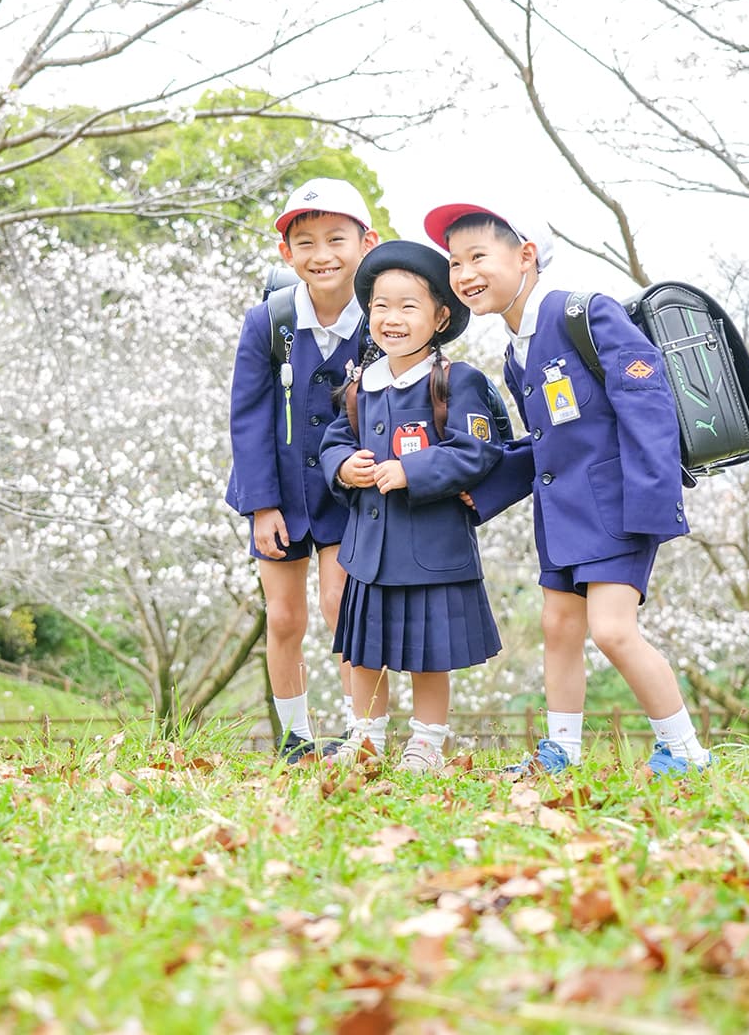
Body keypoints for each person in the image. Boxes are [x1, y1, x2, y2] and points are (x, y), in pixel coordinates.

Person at [423, 199, 711, 776]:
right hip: (562, 513)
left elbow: (646, 400)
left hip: (618, 506)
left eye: (479, 256)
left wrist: (653, 502)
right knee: (558, 629)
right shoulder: (515, 352)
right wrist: (483, 489)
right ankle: (562, 755)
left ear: (525, 255)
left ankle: (685, 750)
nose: (464, 275)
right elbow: (547, 443)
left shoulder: (583, 313)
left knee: (612, 630)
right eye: (455, 263)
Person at [318, 241, 505, 774]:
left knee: (429, 653)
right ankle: (367, 734)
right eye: (380, 305)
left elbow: (478, 450)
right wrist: (341, 467)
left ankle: (426, 741)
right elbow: (334, 440)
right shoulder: (360, 385)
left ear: (440, 316)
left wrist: (411, 471)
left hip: (431, 549)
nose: (391, 318)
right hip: (369, 552)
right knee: (363, 650)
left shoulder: (456, 382)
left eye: (408, 306)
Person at [227, 178, 379, 762]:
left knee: (343, 608)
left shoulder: (381, 320)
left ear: (367, 243)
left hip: (351, 493)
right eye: (306, 242)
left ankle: (363, 735)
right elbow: (248, 418)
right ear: (286, 253)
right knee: (285, 616)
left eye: (336, 239)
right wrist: (261, 504)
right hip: (280, 493)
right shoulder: (268, 321)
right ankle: (295, 736)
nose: (322, 255)